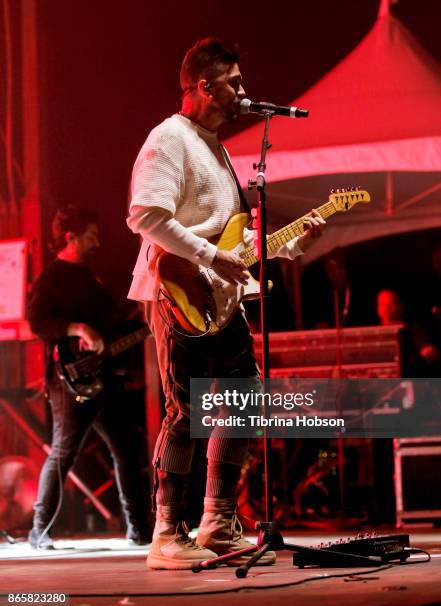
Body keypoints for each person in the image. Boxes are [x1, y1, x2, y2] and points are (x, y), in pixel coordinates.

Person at [127, 38, 325, 570]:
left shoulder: (216, 146)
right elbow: (145, 215)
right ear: (205, 86)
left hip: (220, 296)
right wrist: (212, 256)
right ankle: (167, 532)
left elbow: (234, 239)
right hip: (179, 292)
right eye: (235, 83)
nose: (244, 91)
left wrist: (293, 241)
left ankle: (217, 519)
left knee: (243, 399)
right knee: (185, 411)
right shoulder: (168, 139)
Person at [28, 205, 151, 549]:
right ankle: (39, 531)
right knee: (63, 452)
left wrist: (143, 319)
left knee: (127, 450)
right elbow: (37, 322)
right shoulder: (51, 278)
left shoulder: (91, 277)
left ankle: (140, 530)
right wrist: (76, 328)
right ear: (71, 237)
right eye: (91, 236)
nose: (98, 242)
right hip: (70, 382)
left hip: (106, 377)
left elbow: (111, 327)